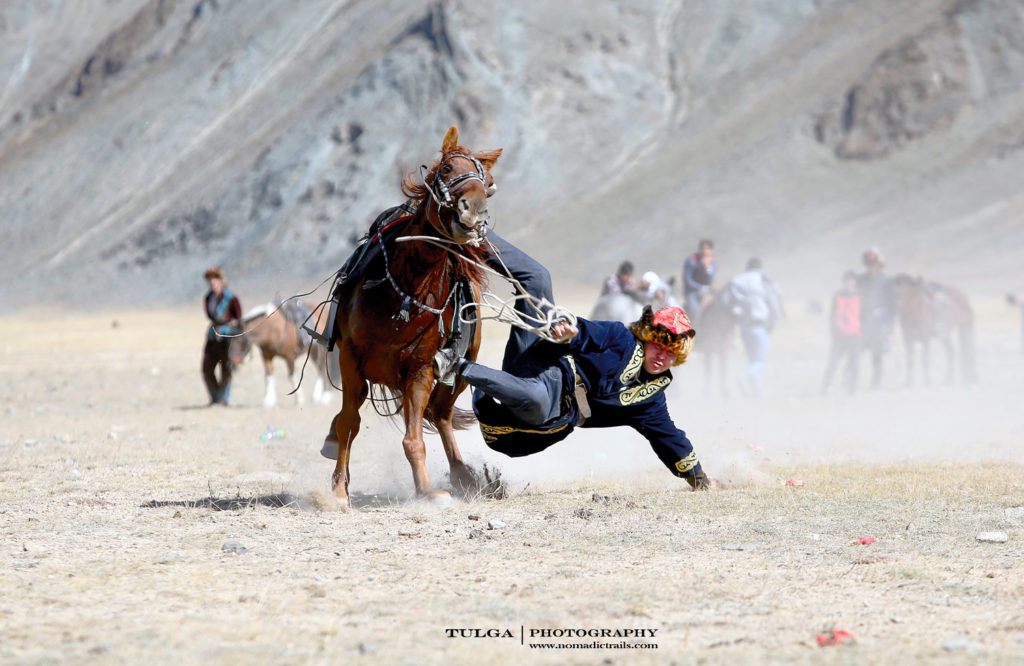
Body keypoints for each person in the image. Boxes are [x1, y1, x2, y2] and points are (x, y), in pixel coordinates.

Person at [436, 301, 714, 490]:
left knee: (510, 443)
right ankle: (455, 363)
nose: (661, 356)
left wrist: (699, 479)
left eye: (670, 353)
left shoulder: (651, 400)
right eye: (658, 346)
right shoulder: (621, 337)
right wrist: (569, 330)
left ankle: (480, 387)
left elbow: (669, 438)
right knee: (535, 279)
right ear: (647, 337)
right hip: (549, 374)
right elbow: (587, 332)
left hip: (554, 424)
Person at [723, 257, 784, 398]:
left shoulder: (737, 280)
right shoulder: (764, 279)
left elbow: (727, 301)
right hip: (760, 325)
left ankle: (756, 392)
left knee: (752, 360)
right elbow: (774, 300)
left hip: (744, 326)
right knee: (759, 361)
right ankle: (745, 378)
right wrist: (775, 321)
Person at [202, 266, 242, 406]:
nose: (212, 282)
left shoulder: (230, 298)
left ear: (221, 280)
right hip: (213, 335)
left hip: (228, 336)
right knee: (206, 367)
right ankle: (215, 397)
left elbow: (238, 317)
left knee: (226, 367)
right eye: (210, 279)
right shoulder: (208, 298)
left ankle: (223, 399)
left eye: (215, 279)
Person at [857, 247, 896, 389]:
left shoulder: (886, 281)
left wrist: (889, 325)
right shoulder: (860, 280)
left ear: (879, 266)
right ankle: (850, 382)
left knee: (877, 356)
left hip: (879, 323)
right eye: (869, 265)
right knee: (855, 354)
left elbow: (892, 305)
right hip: (862, 323)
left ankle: (876, 384)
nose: (872, 268)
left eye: (874, 265)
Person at [821, 271, 862, 394]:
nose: (849, 282)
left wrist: (863, 332)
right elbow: (832, 315)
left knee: (854, 363)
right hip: (839, 335)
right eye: (847, 280)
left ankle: (852, 388)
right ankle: (825, 387)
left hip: (855, 334)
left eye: (851, 280)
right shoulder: (837, 296)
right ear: (844, 282)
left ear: (854, 282)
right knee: (833, 362)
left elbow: (864, 315)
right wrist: (833, 330)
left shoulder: (860, 296)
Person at [683, 239, 716, 318]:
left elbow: (710, 280)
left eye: (707, 249)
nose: (704, 251)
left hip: (706, 293)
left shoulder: (713, 264)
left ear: (711, 251)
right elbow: (687, 279)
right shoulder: (692, 260)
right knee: (696, 312)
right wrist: (700, 287)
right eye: (703, 248)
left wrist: (707, 268)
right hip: (692, 292)